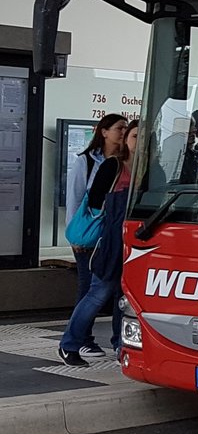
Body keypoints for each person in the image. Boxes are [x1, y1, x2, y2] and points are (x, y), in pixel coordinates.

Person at [58, 120, 138, 367]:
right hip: (110, 241)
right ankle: (69, 344)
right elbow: (93, 203)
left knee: (124, 297)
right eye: (135, 135)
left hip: (135, 243)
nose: (139, 141)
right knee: (98, 292)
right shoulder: (112, 166)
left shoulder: (151, 168)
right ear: (126, 140)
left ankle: (121, 344)